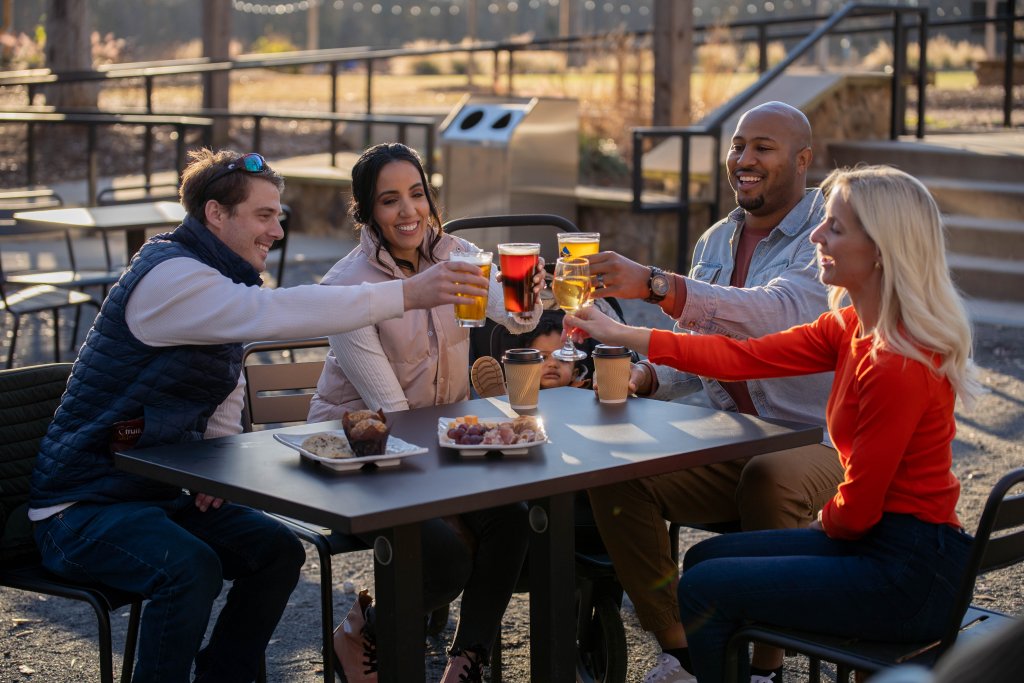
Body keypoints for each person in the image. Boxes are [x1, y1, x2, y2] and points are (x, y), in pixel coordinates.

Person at [28, 148, 490, 683]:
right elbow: (272, 315)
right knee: (189, 570)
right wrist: (406, 293)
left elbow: (222, 384)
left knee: (275, 552)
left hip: (154, 492)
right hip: (82, 507)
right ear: (216, 215)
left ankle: (227, 675)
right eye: (264, 215)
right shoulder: (171, 278)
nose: (277, 229)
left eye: (279, 214)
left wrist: (216, 468)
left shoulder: (224, 281)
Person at [567, 165, 980, 682]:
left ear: (881, 248)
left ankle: (752, 676)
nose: (815, 235)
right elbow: (740, 357)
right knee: (705, 563)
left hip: (906, 572)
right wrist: (621, 333)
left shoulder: (896, 362)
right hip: (882, 546)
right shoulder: (851, 326)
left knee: (706, 586)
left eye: (835, 227)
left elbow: (857, 510)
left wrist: (807, 536)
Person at [582, 101, 843, 682]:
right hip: (729, 435)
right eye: (737, 146)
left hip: (822, 440)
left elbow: (775, 318)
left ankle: (763, 665)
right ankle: (683, 648)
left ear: (803, 160)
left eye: (763, 148)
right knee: (613, 471)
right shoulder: (715, 241)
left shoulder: (826, 231)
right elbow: (694, 348)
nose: (743, 160)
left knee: (769, 476)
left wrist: (656, 285)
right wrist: (646, 376)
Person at [307, 142, 543, 683]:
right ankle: (363, 626)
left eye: (417, 195)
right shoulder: (348, 288)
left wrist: (530, 297)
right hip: (362, 453)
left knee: (514, 517)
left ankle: (468, 659)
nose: (409, 211)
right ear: (366, 213)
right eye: (390, 201)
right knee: (444, 553)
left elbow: (518, 321)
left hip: (435, 447)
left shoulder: (457, 254)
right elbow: (393, 413)